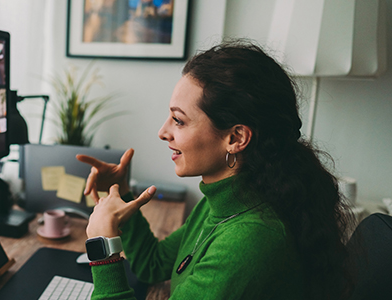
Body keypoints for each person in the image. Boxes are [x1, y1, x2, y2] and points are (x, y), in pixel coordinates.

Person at [78, 41, 355, 299]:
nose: (163, 132)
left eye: (179, 120)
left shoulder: (250, 242)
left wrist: (103, 245)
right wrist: (122, 192)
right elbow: (154, 264)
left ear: (235, 138)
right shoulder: (225, 203)